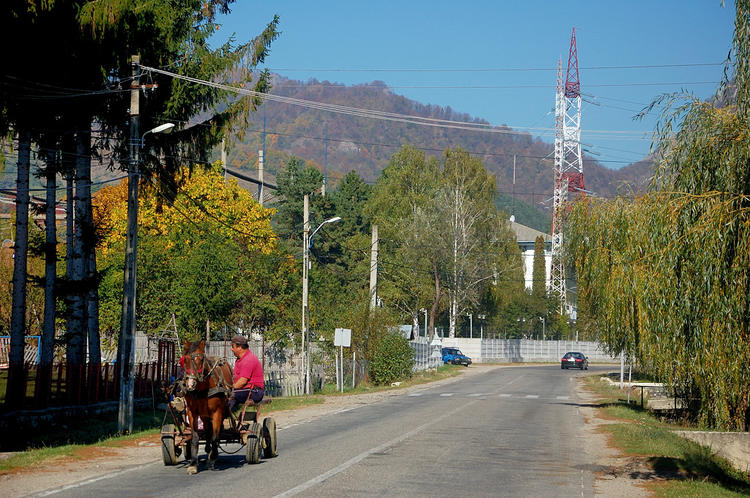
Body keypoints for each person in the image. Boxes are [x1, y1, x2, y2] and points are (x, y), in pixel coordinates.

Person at [228, 335, 264, 412]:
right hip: (246, 389)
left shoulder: (248, 359)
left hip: (255, 392)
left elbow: (242, 381)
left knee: (230, 394)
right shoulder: (240, 359)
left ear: (239, 347)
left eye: (233, 347)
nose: (231, 349)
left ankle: (224, 414)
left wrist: (229, 388)